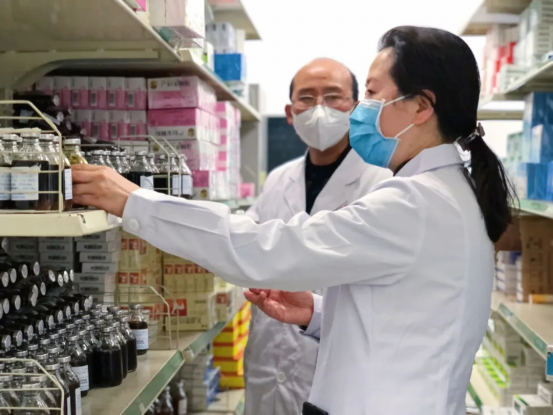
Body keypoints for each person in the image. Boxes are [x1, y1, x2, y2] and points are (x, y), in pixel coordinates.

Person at [72, 26, 515, 415]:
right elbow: (406, 320)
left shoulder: (414, 203)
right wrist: (317, 313)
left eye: (373, 94)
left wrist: (134, 201)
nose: (362, 109)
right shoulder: (448, 191)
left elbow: (261, 248)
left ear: (421, 106)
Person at [244, 59, 391, 415]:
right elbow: (247, 243)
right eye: (307, 98)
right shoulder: (277, 180)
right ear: (290, 112)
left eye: (334, 97)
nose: (319, 109)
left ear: (356, 108)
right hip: (267, 365)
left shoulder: (383, 182)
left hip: (338, 372)